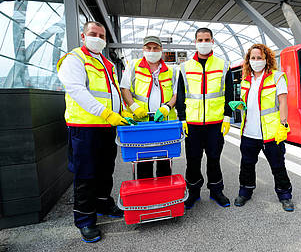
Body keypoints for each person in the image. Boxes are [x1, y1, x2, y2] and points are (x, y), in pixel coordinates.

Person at [57, 21, 130, 243]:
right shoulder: (74, 59)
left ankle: (102, 203)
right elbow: (77, 91)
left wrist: (124, 112)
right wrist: (106, 113)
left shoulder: (106, 63)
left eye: (101, 35)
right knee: (86, 174)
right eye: (93, 34)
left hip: (107, 128)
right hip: (85, 128)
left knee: (106, 170)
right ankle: (85, 220)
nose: (97, 38)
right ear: (83, 36)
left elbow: (113, 92)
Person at [229, 43, 294, 212]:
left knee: (278, 166)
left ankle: (285, 195)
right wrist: (240, 105)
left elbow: (283, 102)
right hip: (249, 132)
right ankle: (245, 192)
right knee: (247, 165)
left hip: (271, 133)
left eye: (260, 58)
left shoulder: (277, 77)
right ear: (248, 60)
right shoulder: (246, 79)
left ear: (267, 59)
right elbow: (248, 104)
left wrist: (283, 124)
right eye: (253, 58)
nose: (256, 61)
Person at [176, 27, 234, 209]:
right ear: (195, 42)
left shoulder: (223, 65)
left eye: (206, 39)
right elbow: (180, 94)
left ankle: (216, 191)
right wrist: (182, 118)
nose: (203, 43)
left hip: (215, 123)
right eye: (200, 40)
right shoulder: (185, 67)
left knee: (214, 158)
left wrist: (227, 116)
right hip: (192, 124)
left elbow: (230, 93)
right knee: (193, 160)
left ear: (212, 41)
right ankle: (193, 193)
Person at [120, 36, 177, 178]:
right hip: (142, 123)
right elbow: (125, 88)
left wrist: (167, 107)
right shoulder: (133, 65)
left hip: (164, 123)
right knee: (143, 161)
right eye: (148, 48)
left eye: (155, 48)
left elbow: (177, 93)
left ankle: (164, 195)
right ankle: (146, 197)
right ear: (143, 49)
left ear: (161, 50)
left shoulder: (172, 71)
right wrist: (134, 107)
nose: (152, 51)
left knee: (164, 162)